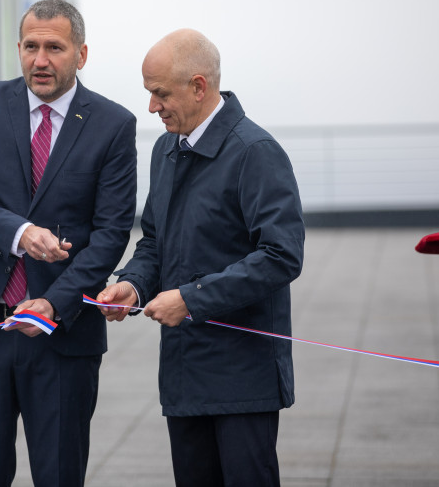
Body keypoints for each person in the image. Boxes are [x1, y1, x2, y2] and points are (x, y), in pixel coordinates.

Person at [0, 0, 138, 487]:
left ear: (81, 54)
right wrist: (21, 233)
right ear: (18, 49)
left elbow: (111, 235)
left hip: (63, 335)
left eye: (54, 48)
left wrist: (55, 302)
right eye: (30, 46)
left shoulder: (114, 124)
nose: (40, 60)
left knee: (60, 474)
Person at [98, 29, 305, 486]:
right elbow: (153, 241)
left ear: (198, 86)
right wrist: (131, 285)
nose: (152, 107)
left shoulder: (256, 152)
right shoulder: (165, 149)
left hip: (243, 378)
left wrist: (190, 300)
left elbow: (281, 256)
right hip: (183, 372)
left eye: (160, 93)